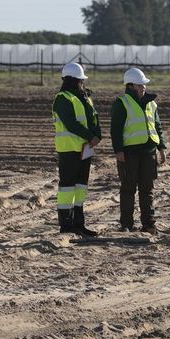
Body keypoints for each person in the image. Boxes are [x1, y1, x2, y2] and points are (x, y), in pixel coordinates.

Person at [111, 67, 166, 232]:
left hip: (149, 152)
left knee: (147, 189)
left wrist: (161, 147)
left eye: (144, 84)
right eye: (139, 85)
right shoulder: (122, 103)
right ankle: (126, 224)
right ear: (130, 86)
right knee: (128, 188)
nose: (143, 87)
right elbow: (116, 129)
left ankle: (148, 223)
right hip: (130, 153)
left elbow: (157, 126)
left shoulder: (152, 104)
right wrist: (118, 151)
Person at [52, 61, 102, 236]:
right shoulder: (63, 98)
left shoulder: (85, 98)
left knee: (81, 186)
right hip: (69, 149)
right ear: (73, 80)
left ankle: (79, 223)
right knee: (67, 187)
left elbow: (94, 118)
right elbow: (71, 123)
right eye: (80, 80)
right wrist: (91, 137)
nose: (83, 83)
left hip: (85, 149)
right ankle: (66, 224)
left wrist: (97, 136)